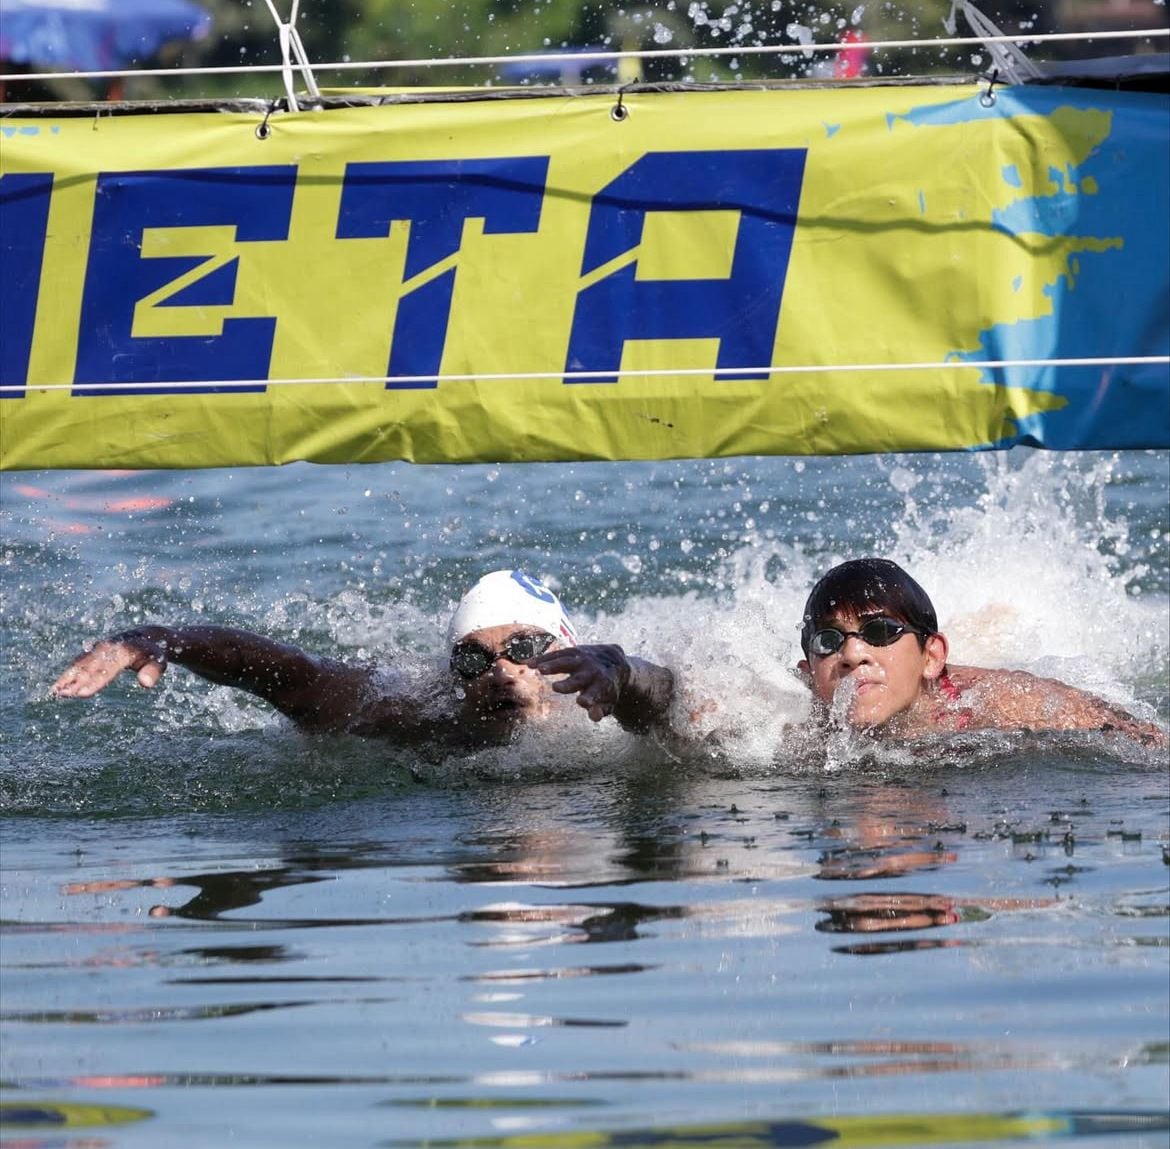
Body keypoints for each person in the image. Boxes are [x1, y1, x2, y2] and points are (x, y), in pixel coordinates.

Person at [51, 569, 676, 749]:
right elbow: (287, 673)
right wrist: (162, 638)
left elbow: (668, 698)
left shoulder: (606, 686)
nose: (499, 672)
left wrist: (619, 671)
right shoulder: (404, 710)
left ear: (565, 647)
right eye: (472, 661)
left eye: (523, 649)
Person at [796, 557, 1166, 744]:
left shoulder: (996, 703)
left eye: (879, 631)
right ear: (809, 672)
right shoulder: (788, 729)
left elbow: (1139, 734)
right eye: (828, 640)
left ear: (932, 656)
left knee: (992, 638)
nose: (852, 653)